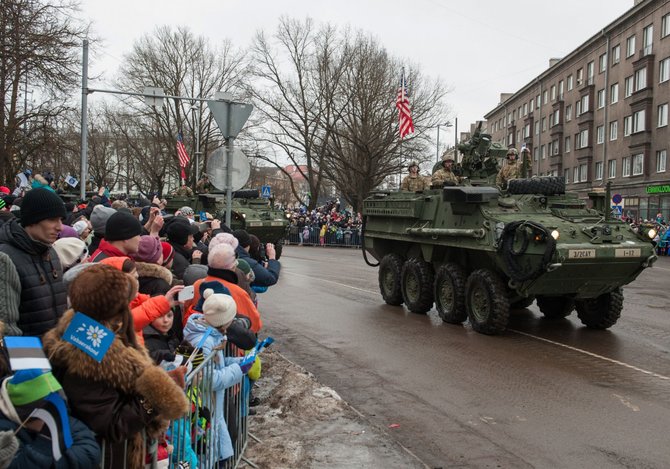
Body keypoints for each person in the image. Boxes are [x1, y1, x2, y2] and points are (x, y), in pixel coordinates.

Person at [42, 264, 188, 469]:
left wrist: (159, 379)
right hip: (110, 459)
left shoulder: (82, 332)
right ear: (113, 308)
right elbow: (112, 423)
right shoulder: (87, 356)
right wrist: (154, 396)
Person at [0, 188, 68, 336]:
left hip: (53, 353)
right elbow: (6, 329)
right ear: (32, 220)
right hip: (27, 356)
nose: (60, 227)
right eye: (52, 219)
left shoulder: (51, 252)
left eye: (61, 220)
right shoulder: (5, 258)